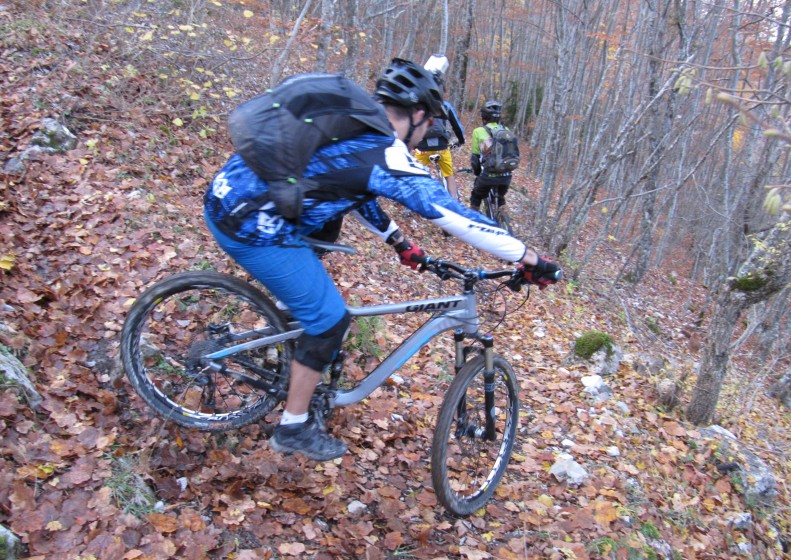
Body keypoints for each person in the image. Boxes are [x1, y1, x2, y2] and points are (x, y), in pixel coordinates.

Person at [203, 59, 561, 461]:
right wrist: (530, 257)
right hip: (252, 224)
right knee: (329, 319)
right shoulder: (385, 151)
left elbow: (352, 191)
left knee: (316, 297)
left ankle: (286, 338)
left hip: (233, 197)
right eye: (429, 127)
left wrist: (399, 242)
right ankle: (293, 426)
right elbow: (453, 215)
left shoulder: (361, 128)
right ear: (419, 115)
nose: (426, 136)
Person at [414, 59, 466, 199]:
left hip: (423, 147)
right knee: (449, 176)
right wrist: (460, 141)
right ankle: (454, 202)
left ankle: (414, 204)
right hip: (442, 147)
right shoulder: (446, 106)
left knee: (417, 174)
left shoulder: (419, 105)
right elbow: (457, 127)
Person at [469, 100, 512, 215]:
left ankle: (473, 221)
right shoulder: (506, 131)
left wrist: (477, 173)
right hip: (506, 176)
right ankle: (504, 220)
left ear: (483, 117)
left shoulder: (478, 131)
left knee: (476, 196)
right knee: (500, 196)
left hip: (489, 175)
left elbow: (475, 159)